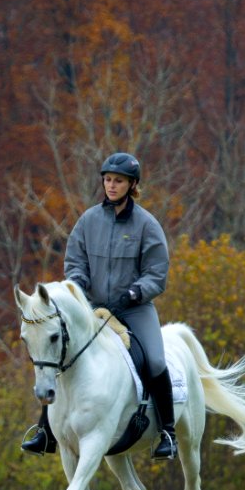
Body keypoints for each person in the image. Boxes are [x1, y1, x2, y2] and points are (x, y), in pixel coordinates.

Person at [21, 151, 178, 460]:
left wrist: (134, 293)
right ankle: (45, 431)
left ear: (132, 185)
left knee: (157, 362)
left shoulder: (147, 225)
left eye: (118, 181)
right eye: (107, 180)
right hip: (92, 309)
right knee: (56, 352)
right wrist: (79, 287)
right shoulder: (88, 220)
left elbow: (157, 275)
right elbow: (75, 263)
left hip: (134, 308)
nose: (111, 186)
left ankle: (167, 432)